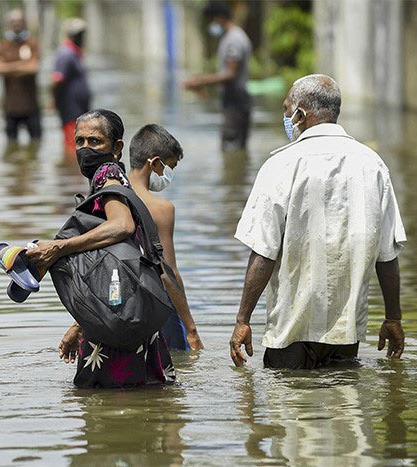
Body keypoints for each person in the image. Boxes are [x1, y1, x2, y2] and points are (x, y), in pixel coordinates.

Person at [229, 74, 407, 369]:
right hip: (346, 334)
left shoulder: (281, 164)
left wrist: (242, 320)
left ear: (301, 114)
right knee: (344, 408)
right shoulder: (373, 165)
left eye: (287, 111)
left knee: (288, 408)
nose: (286, 118)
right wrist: (393, 317)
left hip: (290, 331)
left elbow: (264, 252)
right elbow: (387, 254)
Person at [25, 109, 175, 388]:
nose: (85, 149)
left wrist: (59, 248)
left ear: (116, 147)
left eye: (95, 142)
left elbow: (122, 226)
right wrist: (80, 325)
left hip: (120, 313)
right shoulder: (106, 179)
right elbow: (112, 263)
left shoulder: (108, 173)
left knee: (107, 401)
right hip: (124, 306)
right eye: (79, 141)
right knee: (144, 397)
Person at [127, 124, 204, 351]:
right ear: (155, 163)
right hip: (154, 310)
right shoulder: (161, 208)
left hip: (115, 304)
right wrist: (191, 329)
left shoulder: (108, 195)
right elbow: (168, 273)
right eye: (170, 168)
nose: (168, 175)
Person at [182, 1, 252, 152]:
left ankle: (233, 175)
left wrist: (199, 81)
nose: (211, 24)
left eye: (211, 20)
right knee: (236, 149)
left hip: (236, 103)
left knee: (230, 148)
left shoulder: (234, 39)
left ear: (219, 18)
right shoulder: (230, 37)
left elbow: (230, 74)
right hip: (233, 101)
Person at [0, 10, 42, 143]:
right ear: (8, 24)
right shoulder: (4, 45)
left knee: (36, 143)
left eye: (19, 21)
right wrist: (21, 66)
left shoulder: (32, 43)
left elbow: (33, 68)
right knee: (11, 145)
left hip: (31, 105)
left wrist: (8, 67)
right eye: (13, 21)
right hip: (11, 106)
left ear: (24, 24)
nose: (16, 24)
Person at [52, 18, 91, 159]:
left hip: (79, 108)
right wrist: (54, 100)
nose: (82, 38)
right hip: (70, 108)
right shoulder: (65, 54)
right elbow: (56, 80)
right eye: (79, 35)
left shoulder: (76, 53)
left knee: (80, 141)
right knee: (73, 143)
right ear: (71, 35)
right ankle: (71, 172)